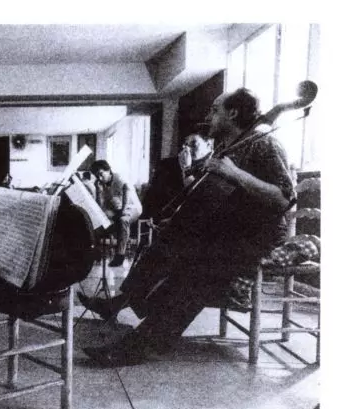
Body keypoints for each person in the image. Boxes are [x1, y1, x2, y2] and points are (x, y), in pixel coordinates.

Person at [80, 88, 295, 366]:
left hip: (259, 238)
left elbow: (284, 198)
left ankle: (142, 343)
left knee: (196, 272)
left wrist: (234, 173)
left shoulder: (265, 144)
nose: (208, 116)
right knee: (167, 240)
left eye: (215, 110)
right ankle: (125, 304)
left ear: (233, 113)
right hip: (230, 231)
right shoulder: (227, 147)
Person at [141, 133, 212, 223]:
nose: (187, 149)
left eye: (193, 144)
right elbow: (152, 198)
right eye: (186, 144)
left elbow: (199, 200)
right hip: (159, 221)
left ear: (209, 144)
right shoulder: (167, 165)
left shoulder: (214, 170)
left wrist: (186, 169)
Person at [90, 160, 142, 267]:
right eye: (97, 176)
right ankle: (96, 251)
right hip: (117, 209)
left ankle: (120, 255)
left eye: (101, 174)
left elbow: (127, 195)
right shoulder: (101, 184)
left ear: (108, 170)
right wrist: (98, 191)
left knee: (123, 220)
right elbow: (101, 207)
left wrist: (121, 212)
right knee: (99, 220)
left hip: (132, 207)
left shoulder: (120, 178)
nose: (100, 178)